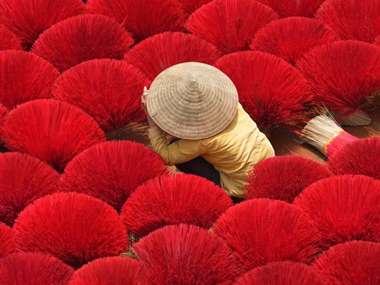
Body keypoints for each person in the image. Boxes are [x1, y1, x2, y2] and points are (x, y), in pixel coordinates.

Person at [142, 62, 274, 198]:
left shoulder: (202, 139)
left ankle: (224, 196)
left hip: (241, 187)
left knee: (182, 156)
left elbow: (166, 156)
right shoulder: (230, 103)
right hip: (269, 160)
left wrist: (151, 120)